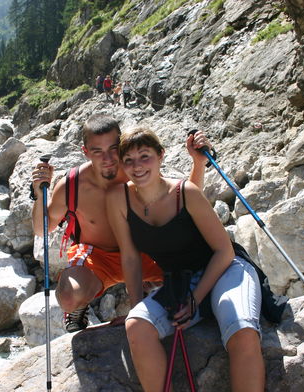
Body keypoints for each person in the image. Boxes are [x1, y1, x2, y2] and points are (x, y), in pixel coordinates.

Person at [106, 128, 265, 392]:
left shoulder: (185, 192)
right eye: (129, 160)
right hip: (180, 280)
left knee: (242, 331)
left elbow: (223, 251)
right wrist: (135, 307)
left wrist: (195, 299)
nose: (137, 166)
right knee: (137, 325)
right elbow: (131, 256)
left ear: (160, 156)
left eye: (145, 156)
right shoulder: (118, 199)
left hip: (226, 269)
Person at [31, 114, 212, 332]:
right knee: (68, 296)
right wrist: (40, 195)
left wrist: (198, 163)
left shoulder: (135, 172)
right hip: (97, 257)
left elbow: (182, 202)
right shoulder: (71, 185)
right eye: (97, 151)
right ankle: (77, 310)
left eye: (113, 149)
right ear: (85, 152)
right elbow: (42, 229)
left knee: (189, 281)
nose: (107, 158)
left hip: (145, 252)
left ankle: (149, 299)